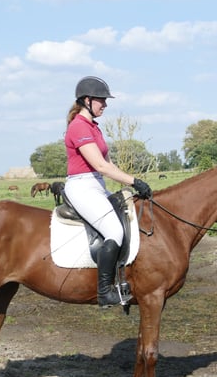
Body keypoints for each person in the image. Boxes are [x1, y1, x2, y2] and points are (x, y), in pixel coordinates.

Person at [63, 76, 152, 307]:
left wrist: (126, 186)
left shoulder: (94, 127)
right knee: (114, 230)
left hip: (97, 185)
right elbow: (100, 165)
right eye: (101, 100)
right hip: (82, 186)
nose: (105, 104)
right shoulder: (78, 127)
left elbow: (108, 166)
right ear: (87, 100)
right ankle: (104, 291)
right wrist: (135, 181)